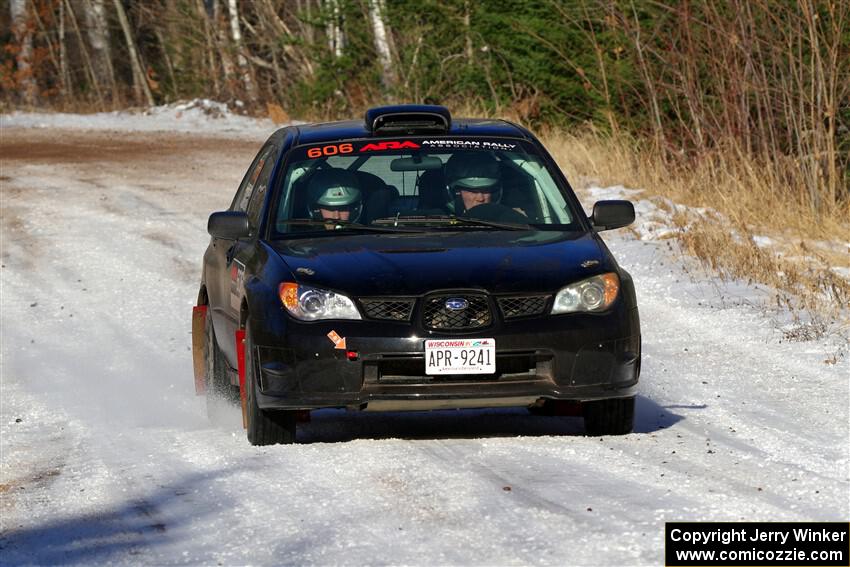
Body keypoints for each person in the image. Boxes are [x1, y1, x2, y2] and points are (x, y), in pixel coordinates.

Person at [445, 153, 527, 222]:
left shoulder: (509, 218)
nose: (480, 198)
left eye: (486, 190)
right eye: (473, 191)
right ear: (456, 192)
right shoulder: (440, 220)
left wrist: (516, 219)